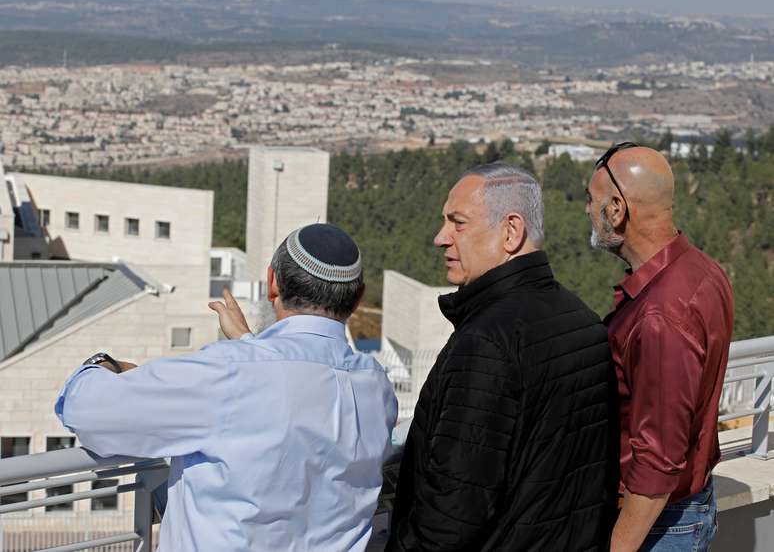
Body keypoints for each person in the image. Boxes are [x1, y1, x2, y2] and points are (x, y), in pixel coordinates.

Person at [55, 224, 398, 552]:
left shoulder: (231, 372)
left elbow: (85, 411)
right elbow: (305, 420)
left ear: (272, 282)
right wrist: (249, 345)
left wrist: (105, 364)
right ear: (357, 299)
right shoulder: (377, 386)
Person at [387, 163, 615, 551]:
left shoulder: (487, 343)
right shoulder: (583, 320)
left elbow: (452, 512)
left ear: (511, 230)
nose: (441, 238)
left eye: (457, 223)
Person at [586, 143, 734, 551]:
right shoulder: (700, 269)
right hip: (687, 507)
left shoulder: (660, 316)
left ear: (617, 209)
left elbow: (657, 460)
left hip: (660, 524)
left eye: (590, 199)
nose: (586, 210)